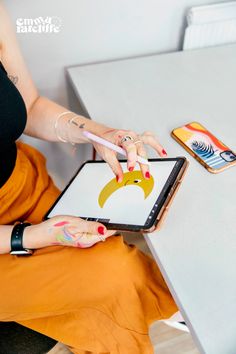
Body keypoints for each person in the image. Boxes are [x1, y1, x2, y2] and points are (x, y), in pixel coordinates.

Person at [0, 3, 177, 353]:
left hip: (22, 187)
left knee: (113, 252)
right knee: (111, 272)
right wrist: (33, 237)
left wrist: (100, 133)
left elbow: (29, 105)